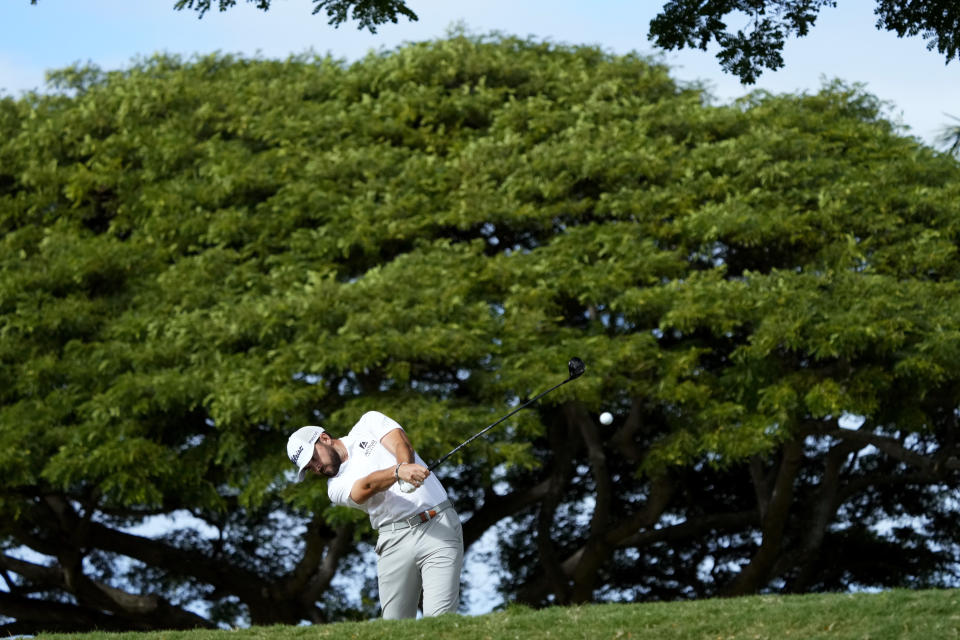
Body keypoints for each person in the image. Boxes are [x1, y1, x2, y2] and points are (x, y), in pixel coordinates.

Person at [286, 411, 463, 619]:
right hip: (393, 541)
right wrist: (397, 472)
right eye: (309, 467)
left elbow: (401, 444)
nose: (316, 467)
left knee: (439, 621)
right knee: (395, 630)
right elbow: (366, 487)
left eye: (314, 458)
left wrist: (405, 467)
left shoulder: (368, 423)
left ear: (324, 439)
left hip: (438, 525)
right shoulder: (334, 487)